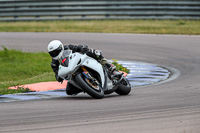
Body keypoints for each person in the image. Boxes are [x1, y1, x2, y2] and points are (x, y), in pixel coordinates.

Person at [47, 40, 122, 95]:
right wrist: (59, 77)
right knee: (69, 91)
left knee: (93, 52)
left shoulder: (68, 47)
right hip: (72, 73)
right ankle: (86, 87)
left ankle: (109, 66)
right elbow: (57, 73)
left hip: (80, 62)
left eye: (55, 52)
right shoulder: (54, 63)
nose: (54, 54)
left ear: (60, 48)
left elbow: (78, 47)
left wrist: (82, 47)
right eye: (52, 53)